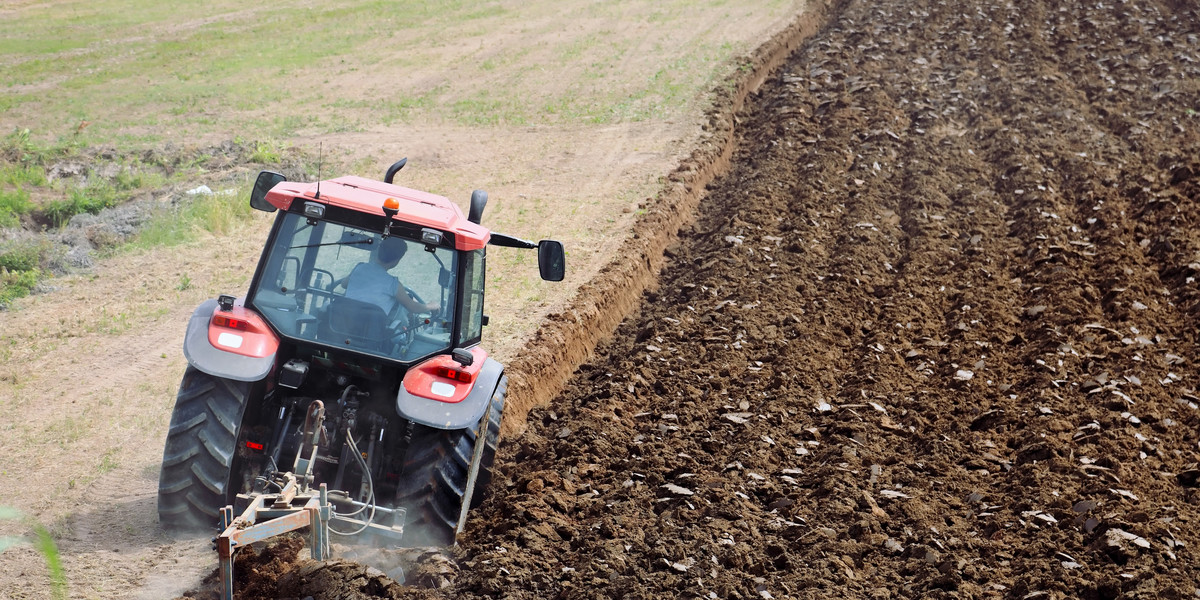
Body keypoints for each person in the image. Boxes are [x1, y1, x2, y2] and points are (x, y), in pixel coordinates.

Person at [337, 236, 439, 316]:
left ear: (378, 251)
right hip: (370, 337)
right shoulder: (393, 284)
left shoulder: (360, 268)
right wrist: (430, 306)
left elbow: (344, 284)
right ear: (397, 260)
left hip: (341, 326)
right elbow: (413, 307)